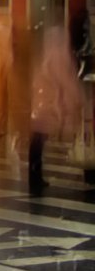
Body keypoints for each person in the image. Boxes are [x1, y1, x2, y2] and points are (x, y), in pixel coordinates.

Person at [28, 23, 84, 196]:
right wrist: (77, 96)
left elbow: (37, 81)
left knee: (37, 141)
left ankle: (35, 176)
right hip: (49, 104)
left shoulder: (46, 56)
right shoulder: (58, 56)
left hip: (41, 104)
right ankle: (35, 177)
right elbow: (65, 81)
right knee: (39, 140)